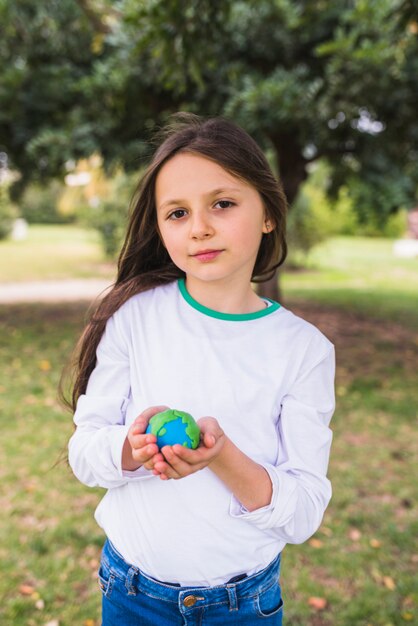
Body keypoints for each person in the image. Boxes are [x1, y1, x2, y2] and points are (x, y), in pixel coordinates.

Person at [67, 113, 335, 625]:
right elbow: (84, 451)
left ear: (268, 214)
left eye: (223, 203)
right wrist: (134, 446)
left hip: (242, 607)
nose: (200, 228)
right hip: (130, 595)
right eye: (177, 213)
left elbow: (303, 512)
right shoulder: (133, 317)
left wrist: (221, 455)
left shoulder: (304, 350)